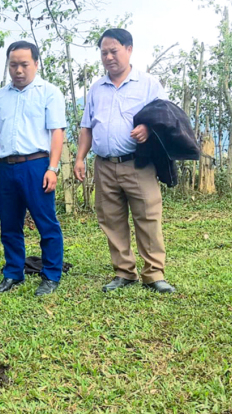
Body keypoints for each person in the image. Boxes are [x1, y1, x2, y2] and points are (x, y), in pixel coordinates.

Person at [75, 28, 175, 293]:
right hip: (104, 165)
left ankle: (154, 274)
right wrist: (80, 158)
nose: (108, 57)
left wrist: (148, 129)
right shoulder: (96, 88)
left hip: (138, 164)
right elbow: (87, 127)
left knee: (148, 217)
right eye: (104, 52)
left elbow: (165, 118)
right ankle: (124, 272)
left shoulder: (148, 84)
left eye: (113, 51)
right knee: (111, 220)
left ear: (129, 50)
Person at [0, 41, 66, 297]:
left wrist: (53, 168)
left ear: (36, 64)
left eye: (24, 64)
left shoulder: (49, 92)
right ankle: (13, 273)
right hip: (7, 168)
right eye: (13, 65)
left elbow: (57, 133)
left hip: (37, 166)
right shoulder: (1, 96)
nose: (18, 70)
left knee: (45, 223)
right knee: (9, 224)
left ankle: (51, 275)